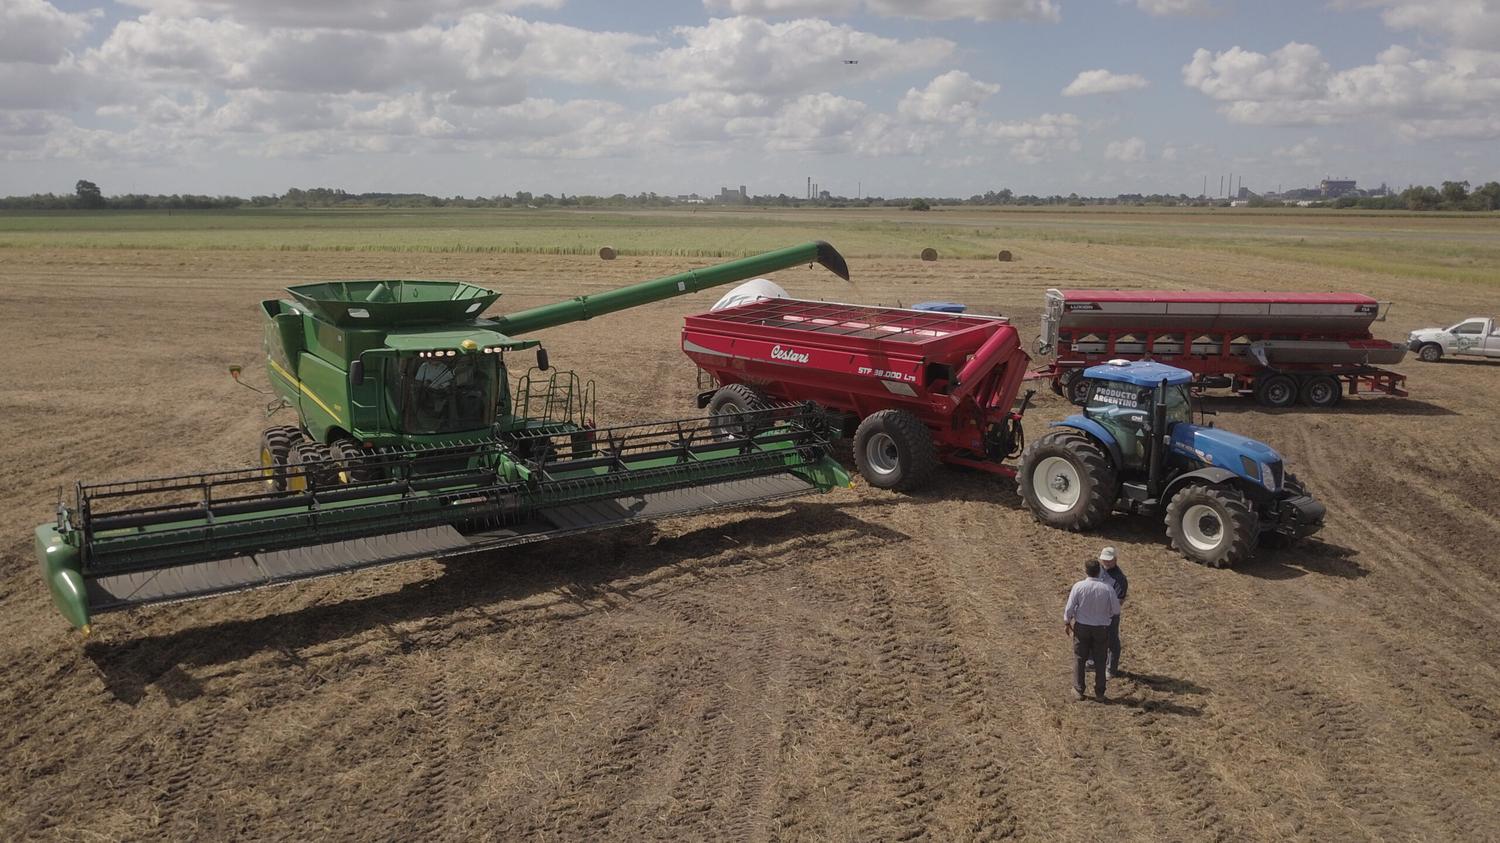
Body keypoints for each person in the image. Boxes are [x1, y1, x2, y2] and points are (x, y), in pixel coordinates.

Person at [1063, 557, 1121, 701]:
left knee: (1080, 657)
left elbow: (1070, 607)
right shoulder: (1108, 589)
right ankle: (1100, 692)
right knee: (1101, 659)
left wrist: (1067, 621)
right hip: (1101, 628)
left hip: (1082, 627)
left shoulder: (1079, 586)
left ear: (1086, 571)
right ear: (1099, 571)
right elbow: (1116, 610)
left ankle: (1078, 689)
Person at [1097, 547, 1128, 678]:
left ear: (1115, 560)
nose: (1106, 563)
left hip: (1110, 614)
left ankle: (1111, 669)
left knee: (1112, 641)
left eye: (1109, 560)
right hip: (1097, 612)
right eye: (1104, 560)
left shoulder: (1120, 579)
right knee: (1096, 637)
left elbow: (1119, 601)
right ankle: (1093, 661)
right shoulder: (1099, 570)